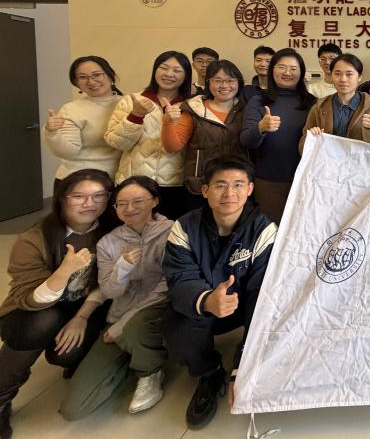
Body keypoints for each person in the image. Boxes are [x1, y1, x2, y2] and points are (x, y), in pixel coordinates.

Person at [162, 156, 277, 430]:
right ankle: (209, 373)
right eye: (220, 185)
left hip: (242, 306)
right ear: (205, 190)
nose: (230, 193)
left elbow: (262, 297)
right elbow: (179, 278)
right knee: (175, 328)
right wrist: (206, 300)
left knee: (268, 311)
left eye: (238, 185)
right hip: (205, 304)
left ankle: (242, 366)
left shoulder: (264, 230)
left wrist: (242, 368)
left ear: (250, 189)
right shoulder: (184, 227)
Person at [0, 170, 116, 439]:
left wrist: (81, 318)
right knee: (41, 323)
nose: (89, 203)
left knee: (65, 354)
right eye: (79, 196)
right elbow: (28, 299)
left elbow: (107, 285)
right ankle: (2, 397)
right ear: (62, 199)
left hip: (83, 308)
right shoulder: (34, 238)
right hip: (33, 310)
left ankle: (74, 359)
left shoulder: (110, 231)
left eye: (99, 196)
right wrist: (64, 271)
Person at [61, 176, 173, 419]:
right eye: (122, 204)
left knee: (135, 328)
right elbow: (110, 292)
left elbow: (169, 285)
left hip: (160, 310)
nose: (129, 209)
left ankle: (149, 371)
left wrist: (124, 324)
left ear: (154, 201)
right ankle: (133, 357)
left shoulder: (174, 232)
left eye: (138, 201)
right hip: (119, 317)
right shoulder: (108, 242)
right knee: (73, 409)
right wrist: (122, 267)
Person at [105, 51, 192, 220]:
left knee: (169, 231)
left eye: (177, 70)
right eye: (164, 68)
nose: (169, 74)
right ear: (155, 70)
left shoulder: (191, 105)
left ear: (186, 75)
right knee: (130, 231)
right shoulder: (132, 100)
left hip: (174, 184)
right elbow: (116, 142)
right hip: (134, 182)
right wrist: (135, 116)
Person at [162, 59, 249, 211]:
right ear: (208, 82)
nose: (224, 85)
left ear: (239, 83)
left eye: (230, 80)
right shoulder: (194, 109)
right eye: (218, 80)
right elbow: (172, 147)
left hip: (236, 184)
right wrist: (168, 122)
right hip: (200, 184)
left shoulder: (247, 110)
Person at [240, 48, 315, 224]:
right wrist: (261, 128)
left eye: (293, 69)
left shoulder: (312, 102)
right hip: (269, 181)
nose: (287, 72)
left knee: (301, 230)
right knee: (271, 231)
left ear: (301, 73)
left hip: (305, 181)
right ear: (272, 70)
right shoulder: (259, 101)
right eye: (281, 67)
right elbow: (246, 141)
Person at [44, 56, 123, 187]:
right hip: (79, 181)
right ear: (77, 83)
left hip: (120, 178)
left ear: (110, 76)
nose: (91, 81)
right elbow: (68, 152)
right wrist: (52, 132)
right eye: (83, 77)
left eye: (96, 75)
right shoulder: (71, 109)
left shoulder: (129, 104)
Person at [301, 53, 370, 149]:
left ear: (359, 77)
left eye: (349, 74)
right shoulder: (318, 107)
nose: (343, 79)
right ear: (331, 75)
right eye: (337, 74)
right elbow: (302, 147)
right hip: (328, 159)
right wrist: (311, 137)